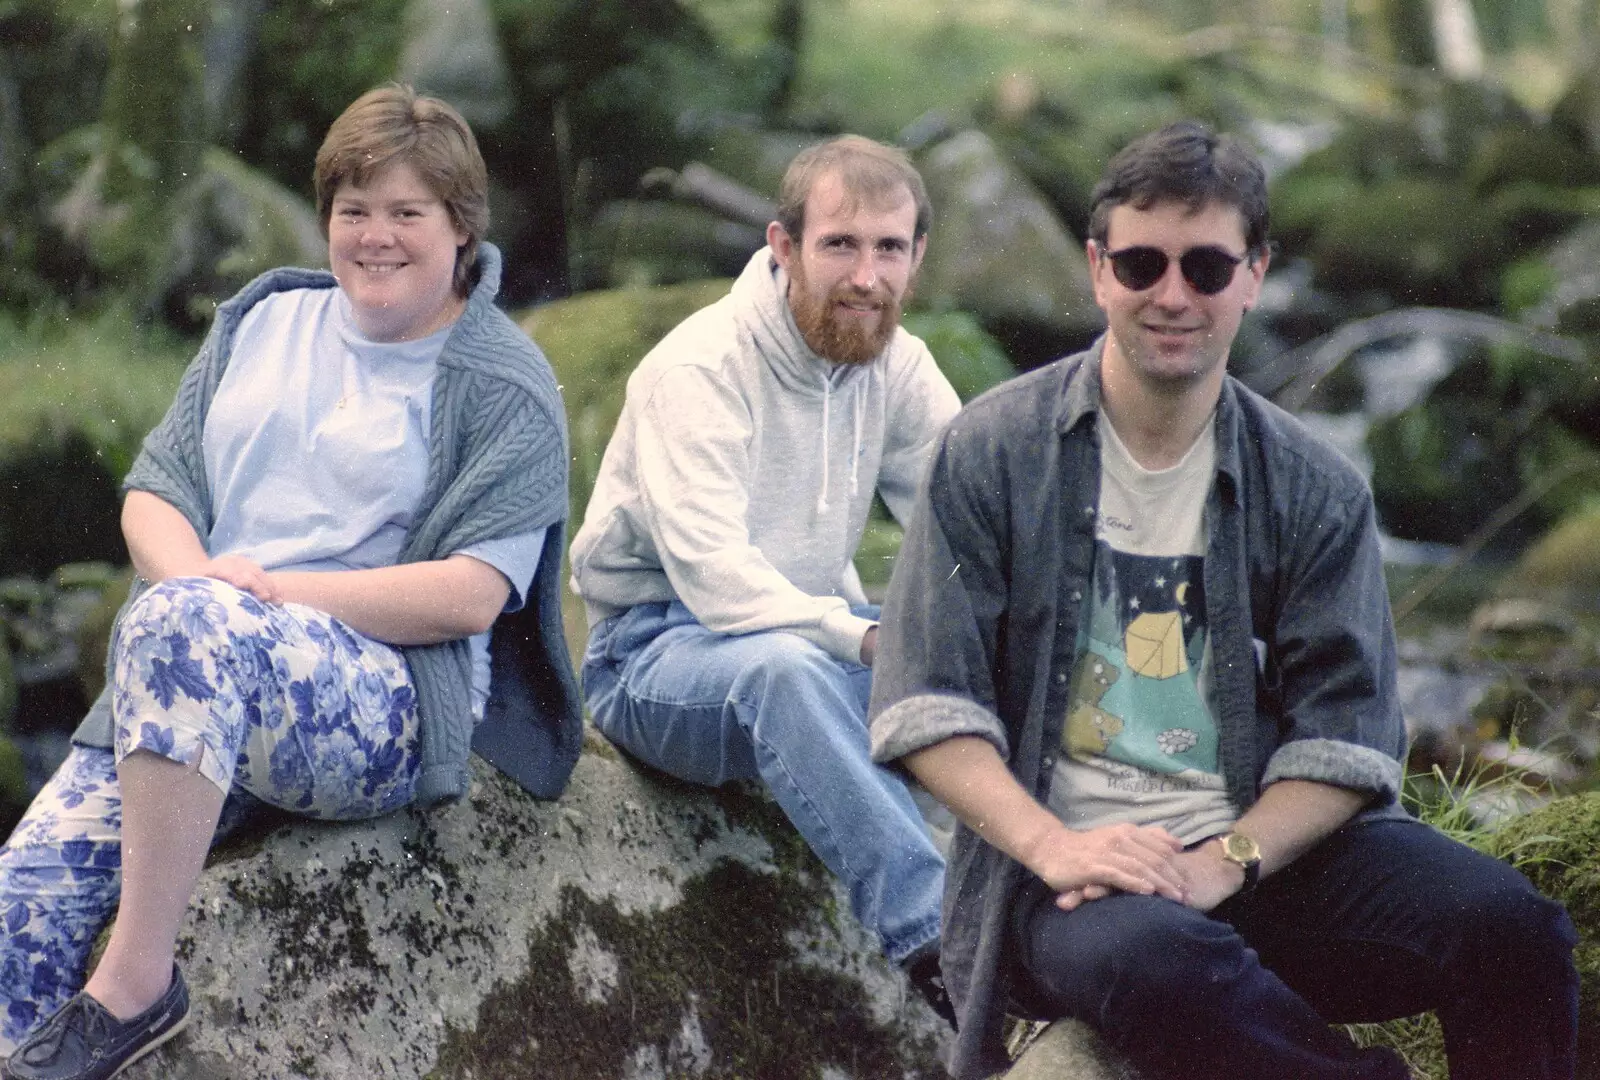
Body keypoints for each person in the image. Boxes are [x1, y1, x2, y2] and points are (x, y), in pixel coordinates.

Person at [868, 120, 1579, 1080]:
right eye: (1141, 264)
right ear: (1096, 269)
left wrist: (1229, 858)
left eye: (1206, 267)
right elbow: (924, 702)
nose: (1172, 295)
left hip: (1261, 862)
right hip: (1071, 885)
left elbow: (1348, 736)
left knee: (1515, 929)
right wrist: (1054, 848)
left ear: (1255, 273)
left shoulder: (1315, 484)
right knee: (1155, 962)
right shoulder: (992, 452)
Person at [0, 84, 579, 1080]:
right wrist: (200, 597)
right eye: (354, 210)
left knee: (189, 627)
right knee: (20, 909)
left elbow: (472, 594)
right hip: (193, 672)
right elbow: (155, 490)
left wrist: (255, 597)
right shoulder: (264, 317)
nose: (376, 236)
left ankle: (137, 987)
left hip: (378, 694)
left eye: (408, 213)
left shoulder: (504, 381)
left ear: (461, 225)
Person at [569, 135, 959, 1009]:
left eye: (889, 249)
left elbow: (977, 520)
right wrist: (861, 635)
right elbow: (714, 580)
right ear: (783, 247)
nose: (866, 276)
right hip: (656, 655)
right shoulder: (701, 367)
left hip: (816, 645)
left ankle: (1078, 904)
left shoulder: (897, 363)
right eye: (840, 245)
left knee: (1002, 650)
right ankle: (939, 946)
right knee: (780, 672)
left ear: (917, 255)